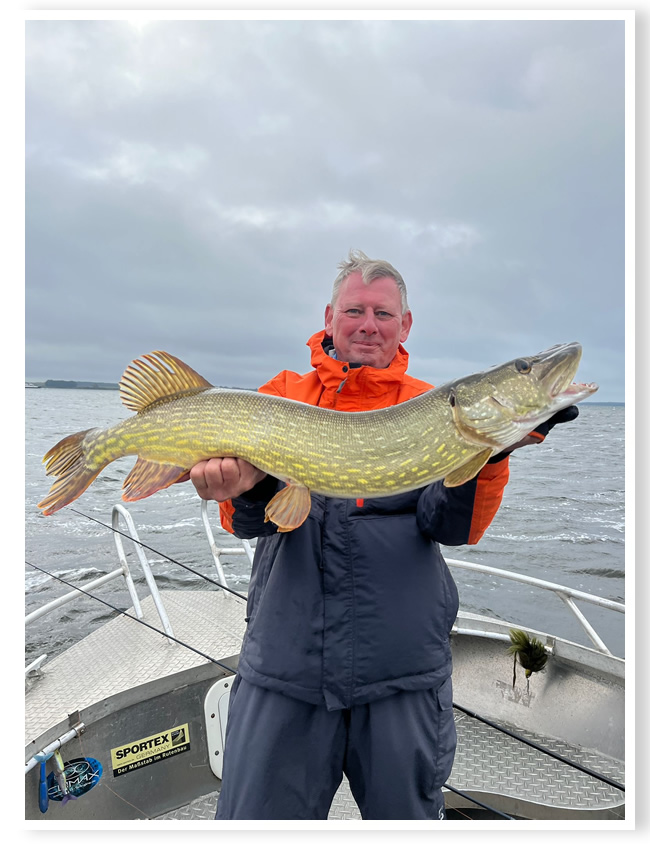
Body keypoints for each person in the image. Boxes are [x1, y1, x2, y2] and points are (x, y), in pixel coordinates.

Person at [188, 250, 576, 820]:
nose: (368, 324)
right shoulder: (281, 395)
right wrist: (244, 490)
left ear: (405, 325)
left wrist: (494, 452)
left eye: (383, 313)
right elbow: (246, 524)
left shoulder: (431, 408)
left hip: (402, 676)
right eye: (354, 311)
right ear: (329, 318)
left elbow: (453, 526)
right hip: (286, 668)